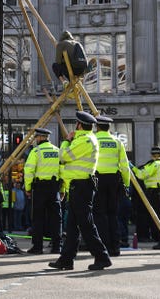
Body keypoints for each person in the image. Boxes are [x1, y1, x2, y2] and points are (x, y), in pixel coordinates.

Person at [48, 111, 112, 271]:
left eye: (76, 123)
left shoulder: (83, 140)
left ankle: (102, 256)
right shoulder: (85, 139)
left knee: (86, 225)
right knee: (72, 227)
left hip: (82, 186)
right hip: (78, 186)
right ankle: (66, 259)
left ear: (80, 125)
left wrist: (66, 141)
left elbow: (63, 156)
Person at [92, 115, 129, 257]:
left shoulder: (94, 140)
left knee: (100, 214)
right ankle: (115, 247)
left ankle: (105, 247)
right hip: (114, 181)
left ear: (97, 126)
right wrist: (126, 184)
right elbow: (125, 166)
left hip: (98, 180)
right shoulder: (117, 141)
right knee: (113, 214)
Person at [23, 127, 62, 254]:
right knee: (56, 218)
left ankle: (37, 247)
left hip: (39, 188)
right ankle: (57, 246)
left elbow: (28, 171)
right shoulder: (58, 151)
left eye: (36, 137)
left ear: (40, 137)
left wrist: (28, 188)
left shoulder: (36, 152)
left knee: (38, 218)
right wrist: (63, 189)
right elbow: (64, 172)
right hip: (54, 187)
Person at [131, 145, 160, 249]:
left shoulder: (154, 165)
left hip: (155, 192)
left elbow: (141, 175)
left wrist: (132, 167)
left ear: (152, 155)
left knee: (157, 218)